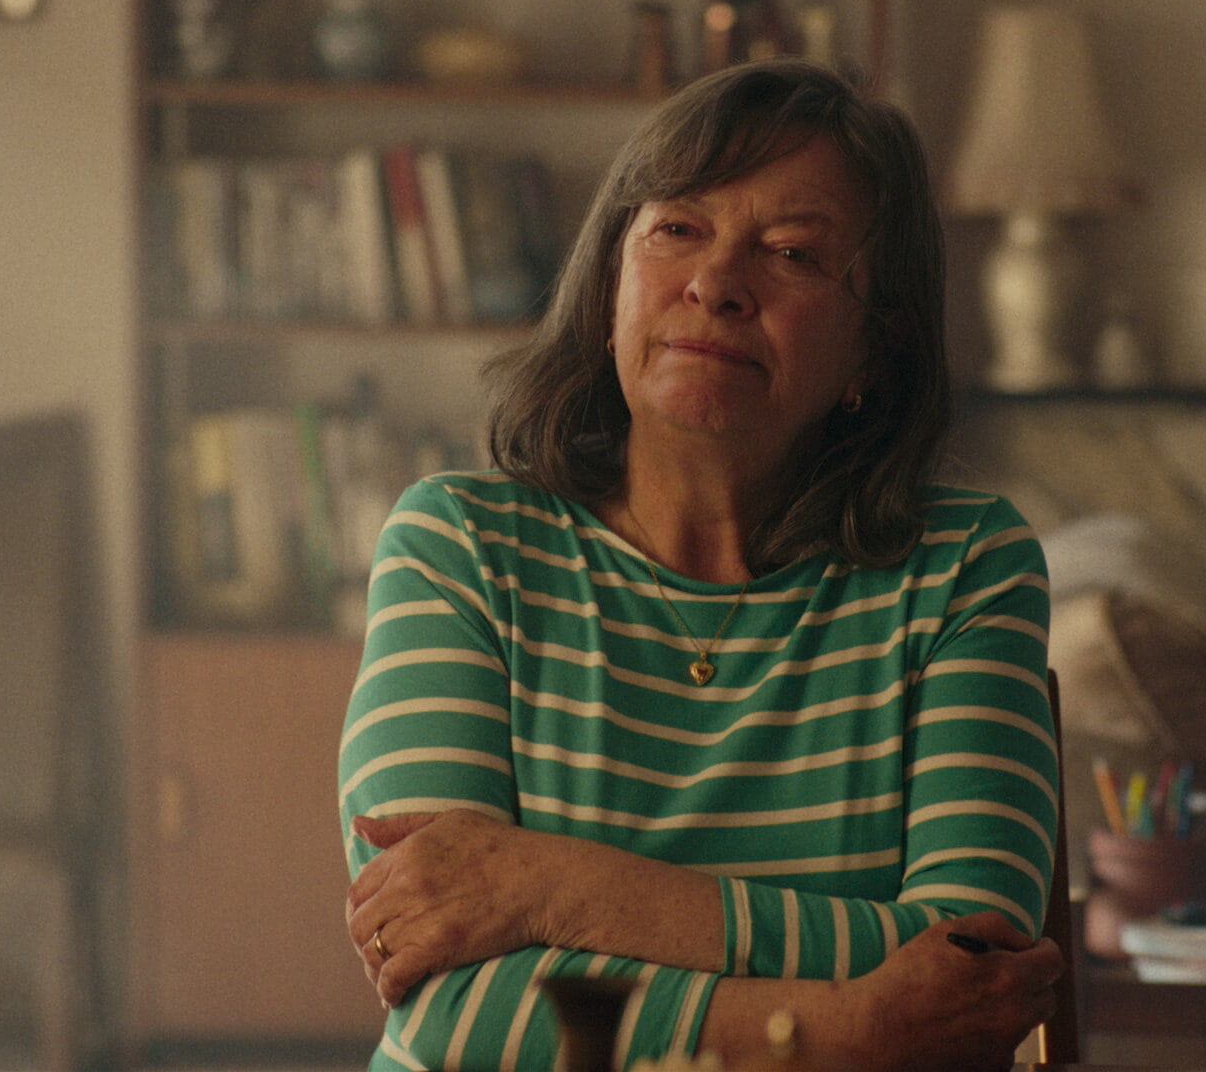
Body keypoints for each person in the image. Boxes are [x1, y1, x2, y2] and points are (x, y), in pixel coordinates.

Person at [339, 59, 1063, 1072]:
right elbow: (450, 1011)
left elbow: (969, 966)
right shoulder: (459, 546)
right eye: (677, 228)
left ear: (875, 348)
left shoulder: (963, 566)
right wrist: (847, 1029)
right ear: (609, 286)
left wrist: (554, 889)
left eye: (794, 254)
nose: (716, 283)